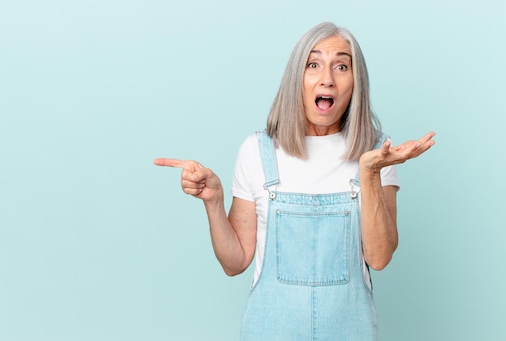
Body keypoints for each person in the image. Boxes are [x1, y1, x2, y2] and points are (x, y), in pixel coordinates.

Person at [154, 22, 435, 340]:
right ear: (296, 79)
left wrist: (369, 173)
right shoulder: (257, 152)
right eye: (313, 64)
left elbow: (380, 257)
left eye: (341, 66)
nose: (327, 78)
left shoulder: (377, 152)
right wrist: (214, 203)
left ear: (356, 83)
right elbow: (234, 263)